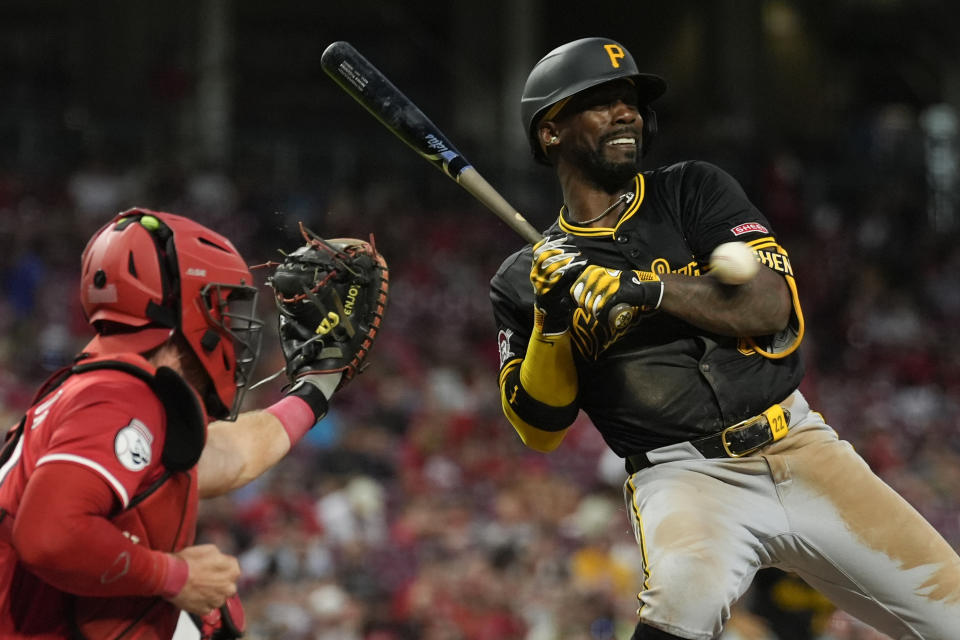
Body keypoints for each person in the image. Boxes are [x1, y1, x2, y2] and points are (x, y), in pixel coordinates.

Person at [489, 37, 960, 640]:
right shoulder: (523, 279)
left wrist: (640, 289)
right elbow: (540, 428)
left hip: (799, 447)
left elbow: (769, 304)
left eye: (629, 99)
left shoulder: (692, 190)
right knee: (681, 605)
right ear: (550, 132)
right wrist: (552, 324)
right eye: (602, 102)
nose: (626, 111)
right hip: (684, 477)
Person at [0, 209, 348, 639]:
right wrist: (175, 577)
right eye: (224, 305)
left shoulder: (102, 391)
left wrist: (317, 387)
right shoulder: (118, 395)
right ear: (184, 310)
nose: (235, 331)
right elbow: (49, 534)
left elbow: (230, 457)